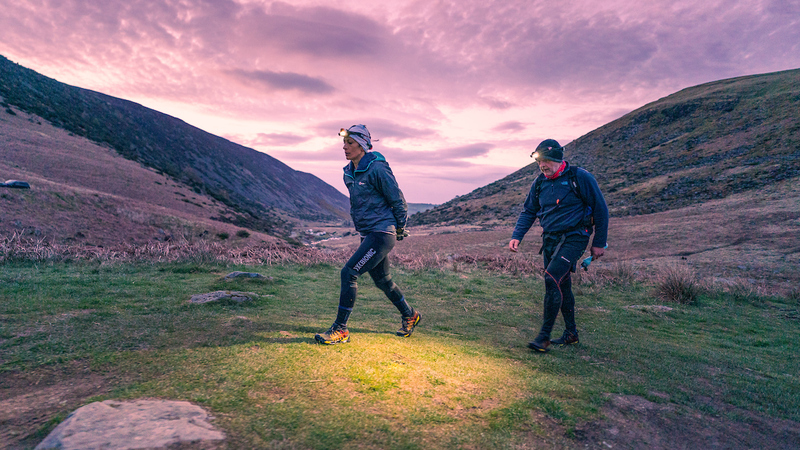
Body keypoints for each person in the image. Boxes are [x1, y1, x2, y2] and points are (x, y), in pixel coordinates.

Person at [315, 124, 421, 345]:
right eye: (344, 143)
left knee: (349, 273)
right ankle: (410, 314)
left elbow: (397, 200)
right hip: (368, 232)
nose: (345, 147)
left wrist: (399, 228)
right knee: (383, 280)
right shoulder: (349, 172)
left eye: (350, 143)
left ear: (362, 146)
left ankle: (340, 329)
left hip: (382, 232)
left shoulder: (378, 168)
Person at [509, 139, 608, 352]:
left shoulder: (579, 177)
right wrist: (518, 235)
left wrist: (599, 243)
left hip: (575, 237)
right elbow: (529, 211)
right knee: (561, 284)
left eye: (546, 161)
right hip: (551, 240)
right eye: (539, 162)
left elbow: (600, 209)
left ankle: (543, 337)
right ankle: (571, 333)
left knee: (551, 277)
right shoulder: (539, 183)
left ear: (557, 160)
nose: (542, 166)